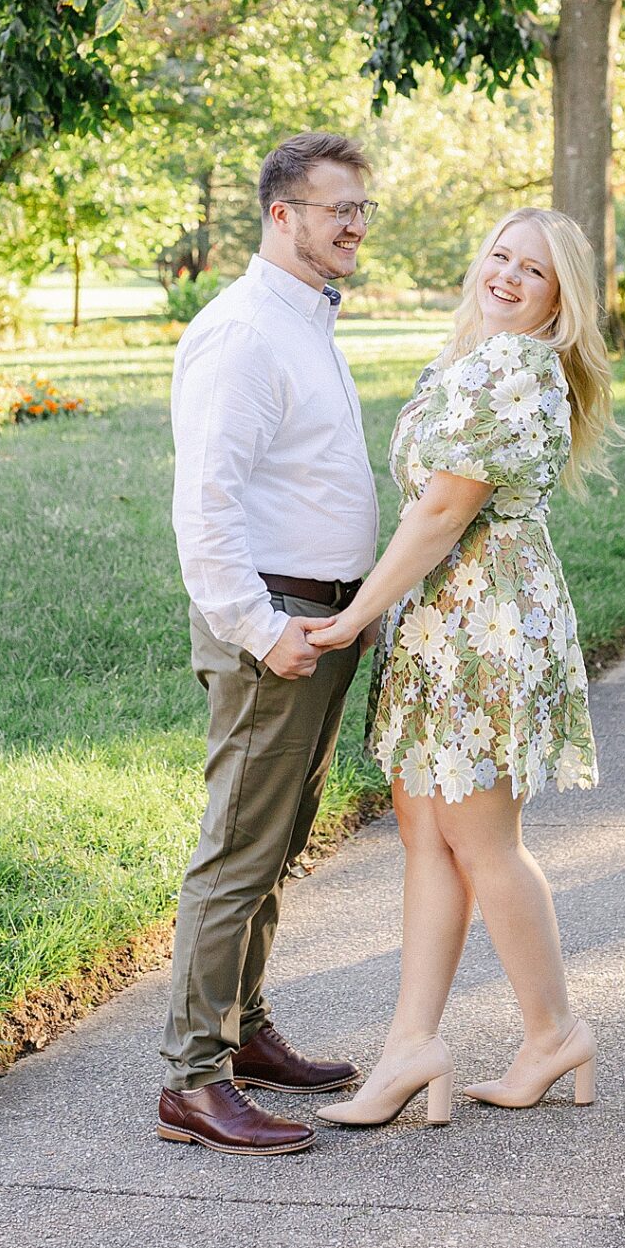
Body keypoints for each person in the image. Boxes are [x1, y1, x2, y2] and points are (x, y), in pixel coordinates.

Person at [305, 208, 613, 1128]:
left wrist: (357, 611)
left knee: (480, 838)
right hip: (442, 619)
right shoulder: (472, 361)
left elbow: (442, 511)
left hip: (483, 625)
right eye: (500, 256)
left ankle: (553, 1032)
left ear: (561, 301)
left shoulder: (513, 367)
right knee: (426, 832)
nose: (509, 277)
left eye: (535, 272)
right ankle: (413, 1048)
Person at [156, 130, 380, 1156]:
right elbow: (204, 506)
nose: (355, 224)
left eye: (362, 208)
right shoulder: (243, 329)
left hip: (324, 617)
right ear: (283, 214)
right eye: (339, 207)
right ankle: (194, 1082)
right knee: (238, 852)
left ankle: (244, 1035)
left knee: (281, 841)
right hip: (275, 624)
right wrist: (258, 630)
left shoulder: (304, 319)